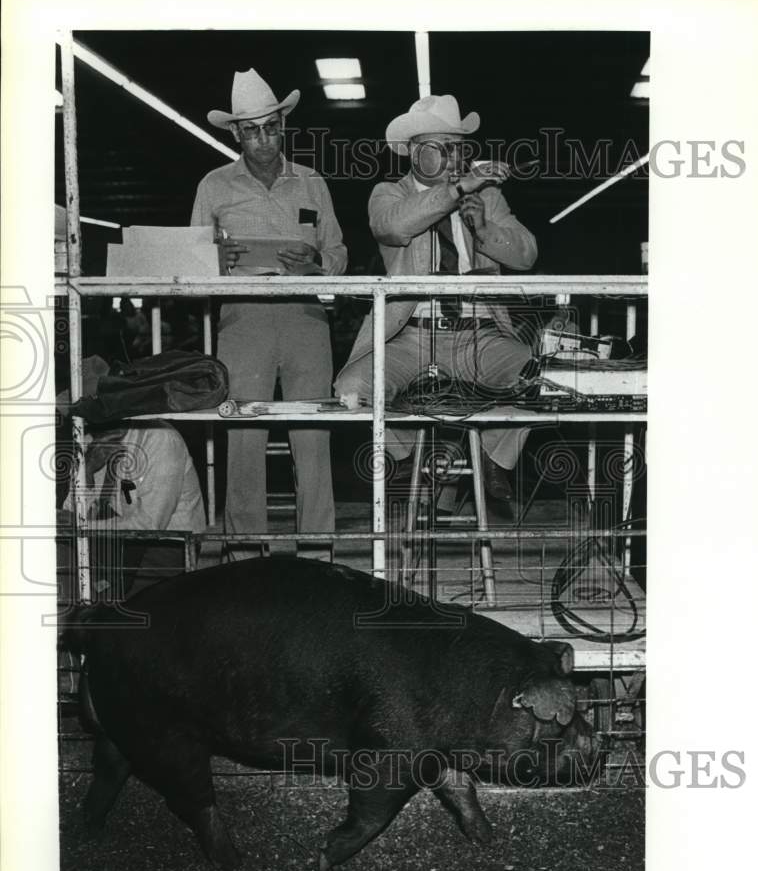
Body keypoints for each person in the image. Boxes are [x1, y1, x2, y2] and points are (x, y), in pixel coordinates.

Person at [334, 94, 538, 501]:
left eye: (459, 148)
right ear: (413, 152)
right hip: (409, 336)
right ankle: (404, 456)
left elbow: (527, 255)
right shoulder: (387, 194)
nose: (453, 157)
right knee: (352, 389)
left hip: (478, 335)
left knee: (539, 379)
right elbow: (394, 227)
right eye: (440, 147)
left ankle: (495, 458)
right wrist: (456, 189)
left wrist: (483, 231)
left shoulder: (489, 197)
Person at [191, 69, 347, 558]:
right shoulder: (214, 186)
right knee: (243, 438)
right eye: (251, 130)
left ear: (283, 125)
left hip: (306, 319)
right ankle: (243, 558)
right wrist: (215, 259)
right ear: (236, 133)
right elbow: (189, 259)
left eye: (271, 127)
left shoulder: (313, 182)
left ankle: (319, 557)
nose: (263, 139)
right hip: (243, 319)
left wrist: (317, 262)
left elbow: (340, 253)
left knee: (314, 438)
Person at [59, 356, 206, 601]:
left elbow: (151, 525)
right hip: (114, 540)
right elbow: (70, 511)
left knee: (132, 610)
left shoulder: (160, 439)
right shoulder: (87, 441)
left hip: (166, 545)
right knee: (62, 564)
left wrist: (80, 528)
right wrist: (86, 471)